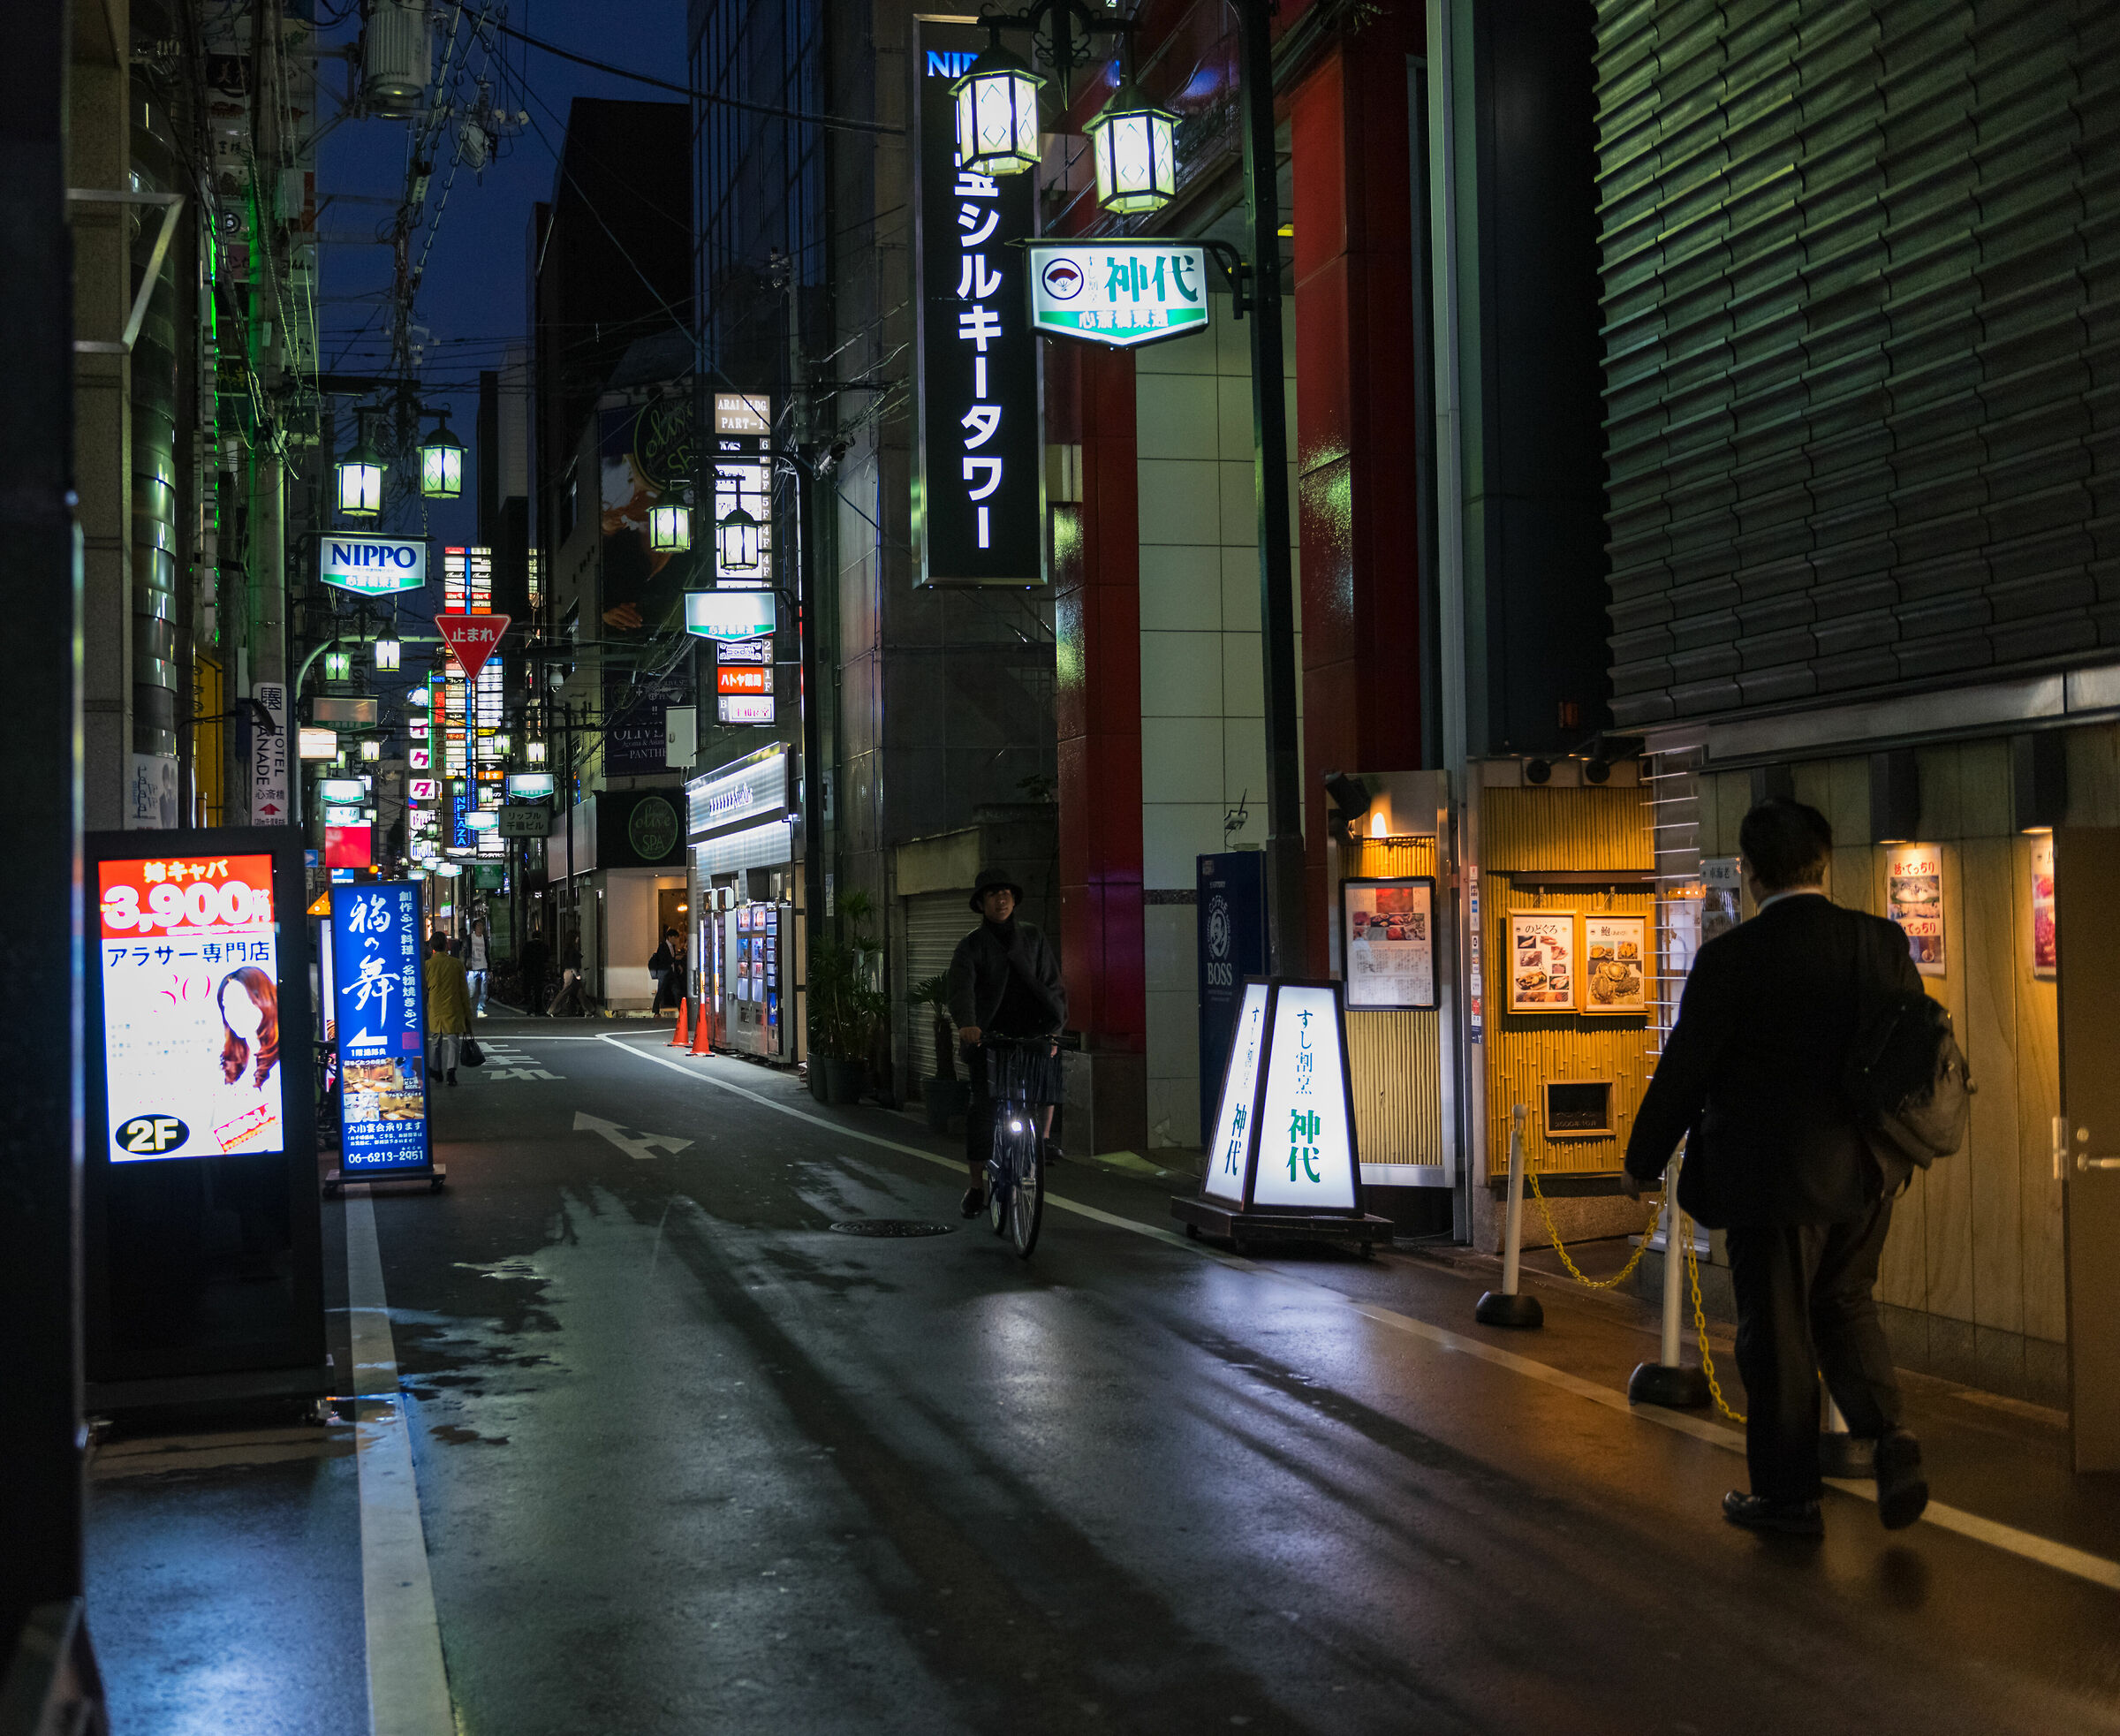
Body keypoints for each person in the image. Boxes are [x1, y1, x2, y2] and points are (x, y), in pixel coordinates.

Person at [1624, 799, 1929, 1538]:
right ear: (1825, 863)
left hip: (1772, 1180)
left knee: (1780, 1332)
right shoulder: (1880, 943)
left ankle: (1789, 1498)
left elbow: (1686, 1070)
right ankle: (1891, 1439)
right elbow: (1911, 1053)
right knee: (1846, 1303)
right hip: (1867, 1172)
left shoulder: (1732, 959)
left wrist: (1642, 1160)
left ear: (1751, 872)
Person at [947, 867, 1065, 1218]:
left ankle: (1042, 1140)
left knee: (1047, 1077)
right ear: (981, 903)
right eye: (993, 894)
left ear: (1014, 900)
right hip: (988, 1036)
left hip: (1031, 1030)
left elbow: (1053, 984)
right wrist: (968, 1024)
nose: (1001, 900)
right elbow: (961, 989)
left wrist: (1055, 1027)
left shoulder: (1032, 937)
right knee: (983, 1109)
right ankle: (976, 1185)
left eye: (1007, 894)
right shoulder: (971, 945)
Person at [424, 933, 473, 1085]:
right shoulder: (456, 964)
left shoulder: (428, 965)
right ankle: (451, 1072)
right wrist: (467, 1014)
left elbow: (424, 988)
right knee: (453, 1041)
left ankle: (436, 1070)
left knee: (435, 1041)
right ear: (447, 945)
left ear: (431, 947)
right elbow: (463, 991)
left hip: (435, 1008)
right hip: (453, 1007)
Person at [548, 931, 588, 1018]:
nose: (578, 939)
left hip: (569, 972)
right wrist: (577, 974)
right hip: (572, 973)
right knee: (566, 991)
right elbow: (572, 963)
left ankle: (589, 1010)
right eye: (577, 937)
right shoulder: (572, 950)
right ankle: (552, 1009)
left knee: (579, 991)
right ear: (573, 938)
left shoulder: (569, 949)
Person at [649, 926, 681, 1014]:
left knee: (676, 991)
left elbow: (672, 959)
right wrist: (675, 959)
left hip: (671, 972)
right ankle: (656, 1010)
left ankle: (681, 1009)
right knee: (661, 991)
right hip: (664, 972)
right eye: (675, 937)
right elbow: (664, 960)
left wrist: (677, 964)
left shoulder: (672, 947)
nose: (676, 940)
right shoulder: (662, 946)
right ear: (670, 937)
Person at [465, 918, 491, 1017]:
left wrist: (490, 967)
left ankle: (480, 1010)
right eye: (478, 926)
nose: (480, 928)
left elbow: (487, 953)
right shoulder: (469, 939)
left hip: (483, 966)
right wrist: (464, 966)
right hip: (472, 967)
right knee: (471, 991)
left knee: (483, 990)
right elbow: (464, 952)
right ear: (474, 928)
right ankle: (468, 1009)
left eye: (481, 926)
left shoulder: (485, 939)